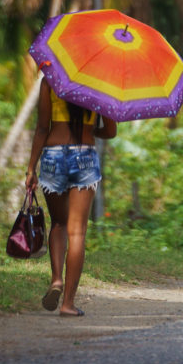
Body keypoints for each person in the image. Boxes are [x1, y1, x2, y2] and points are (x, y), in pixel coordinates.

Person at [24, 76, 116, 317]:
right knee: (77, 232)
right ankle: (68, 304)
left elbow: (43, 127)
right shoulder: (101, 82)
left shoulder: (50, 80)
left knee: (58, 224)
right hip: (85, 155)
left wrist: (31, 168)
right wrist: (90, 129)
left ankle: (56, 280)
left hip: (53, 155)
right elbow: (110, 130)